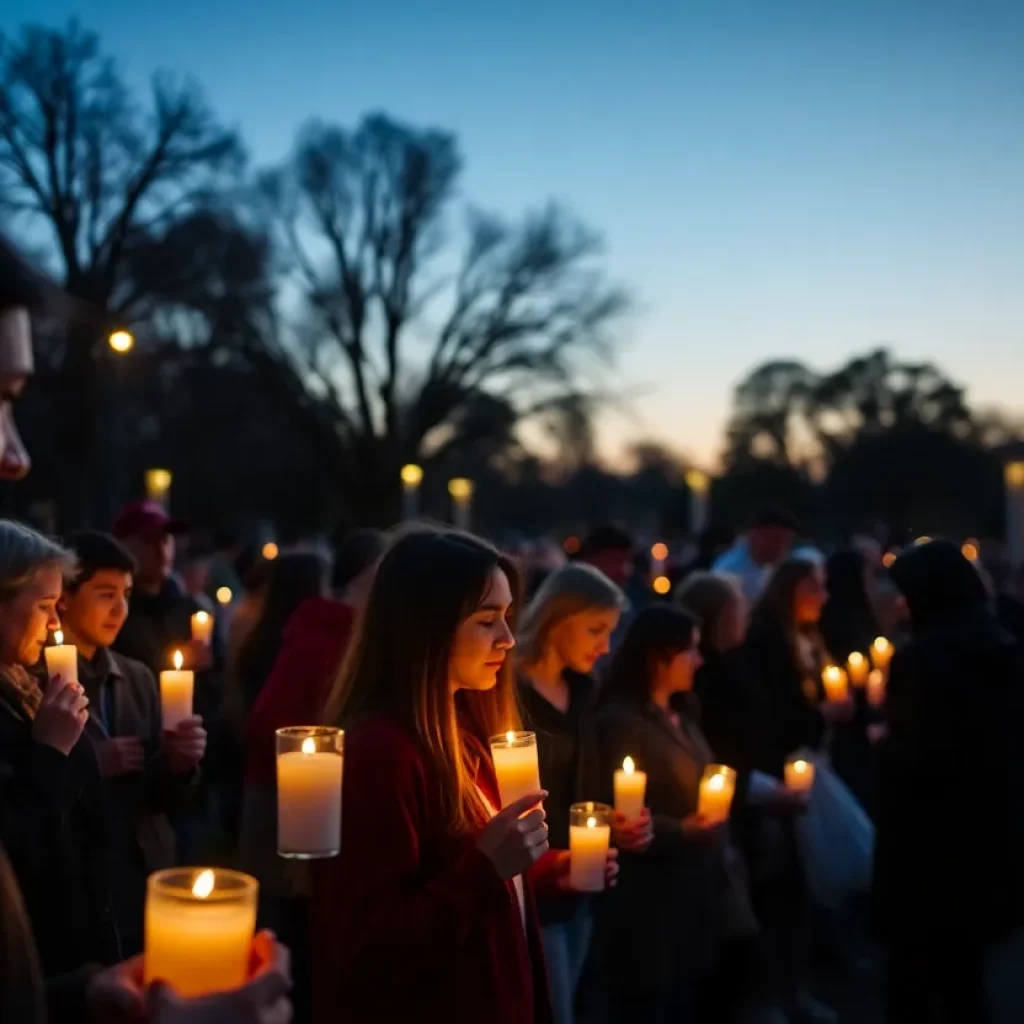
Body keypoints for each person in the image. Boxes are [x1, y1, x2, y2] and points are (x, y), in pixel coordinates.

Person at [0, 235, 293, 1023]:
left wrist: (175, 763)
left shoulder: (121, 676)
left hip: (120, 895)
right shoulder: (33, 697)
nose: (17, 457)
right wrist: (67, 758)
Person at [311, 526, 553, 1024]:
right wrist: (487, 868)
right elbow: (371, 949)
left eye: (507, 617)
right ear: (428, 628)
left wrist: (549, 875)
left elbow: (478, 887)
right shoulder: (379, 755)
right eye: (487, 621)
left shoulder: (465, 736)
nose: (508, 639)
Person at [875, 541, 1024, 1023]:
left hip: (927, 849)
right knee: (966, 980)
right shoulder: (1003, 649)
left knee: (913, 986)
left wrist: (884, 744)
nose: (899, 604)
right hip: (989, 837)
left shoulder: (921, 662)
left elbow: (918, 756)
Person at [59, 530, 207, 955]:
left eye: (125, 593)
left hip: (145, 869)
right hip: (81, 883)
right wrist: (91, 763)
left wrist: (181, 766)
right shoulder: (39, 682)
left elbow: (162, 794)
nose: (119, 608)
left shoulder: (138, 677)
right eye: (105, 593)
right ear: (64, 598)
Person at [516, 563, 643, 1024]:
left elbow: (584, 783)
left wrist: (619, 823)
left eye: (610, 632)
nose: (605, 646)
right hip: (534, 886)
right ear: (557, 616)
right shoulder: (510, 694)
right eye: (595, 629)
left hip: (583, 882)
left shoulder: (584, 690)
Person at [591, 604, 727, 1023]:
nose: (700, 660)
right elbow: (617, 812)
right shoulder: (621, 722)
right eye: (691, 650)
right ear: (658, 655)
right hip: (650, 899)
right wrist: (681, 830)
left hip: (693, 889)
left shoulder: (683, 713)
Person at [0, 521, 119, 976]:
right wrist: (49, 751)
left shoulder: (24, 688)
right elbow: (17, 844)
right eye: (45, 606)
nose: (55, 624)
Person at [111, 500, 209, 680]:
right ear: (123, 545)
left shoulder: (190, 609)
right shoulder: (115, 613)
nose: (161, 549)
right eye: (149, 540)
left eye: (166, 539)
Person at [713, 507, 799, 605]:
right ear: (755, 534)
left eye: (787, 542)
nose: (782, 548)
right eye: (776, 540)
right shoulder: (729, 571)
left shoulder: (776, 567)